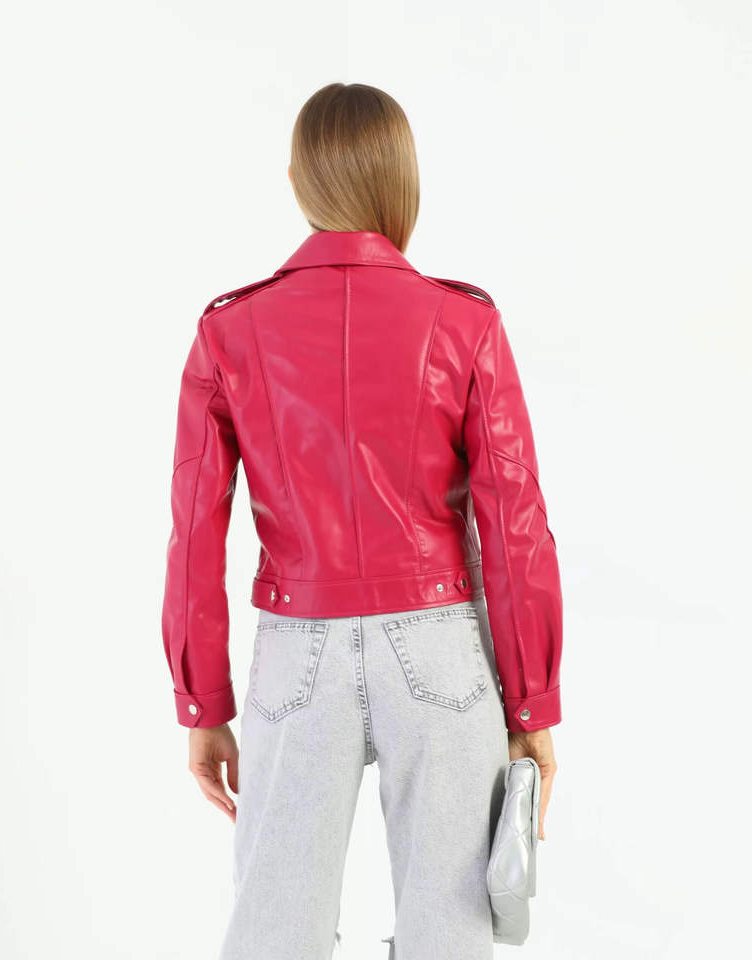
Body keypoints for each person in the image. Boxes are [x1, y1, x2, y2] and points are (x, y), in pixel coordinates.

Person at [160, 81, 563, 960]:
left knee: (274, 933)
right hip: (441, 647)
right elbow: (516, 522)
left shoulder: (231, 331)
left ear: (297, 181)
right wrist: (532, 700)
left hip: (296, 649)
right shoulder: (463, 322)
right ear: (402, 181)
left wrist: (204, 702)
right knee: (452, 933)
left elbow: (195, 530)